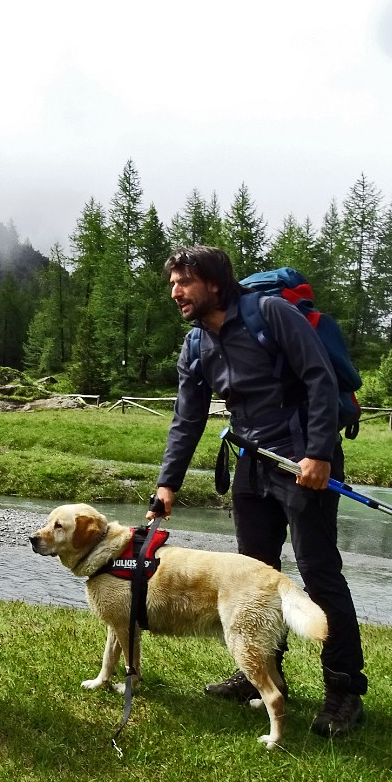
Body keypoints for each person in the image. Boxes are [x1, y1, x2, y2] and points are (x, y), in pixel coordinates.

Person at [152, 246, 366, 738]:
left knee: (319, 573)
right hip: (251, 463)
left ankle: (344, 691)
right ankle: (263, 676)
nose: (176, 292)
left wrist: (319, 453)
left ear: (214, 283)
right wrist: (168, 483)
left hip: (302, 461)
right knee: (253, 576)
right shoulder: (195, 344)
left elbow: (319, 379)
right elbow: (188, 417)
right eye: (172, 284)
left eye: (184, 282)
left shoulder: (272, 314)